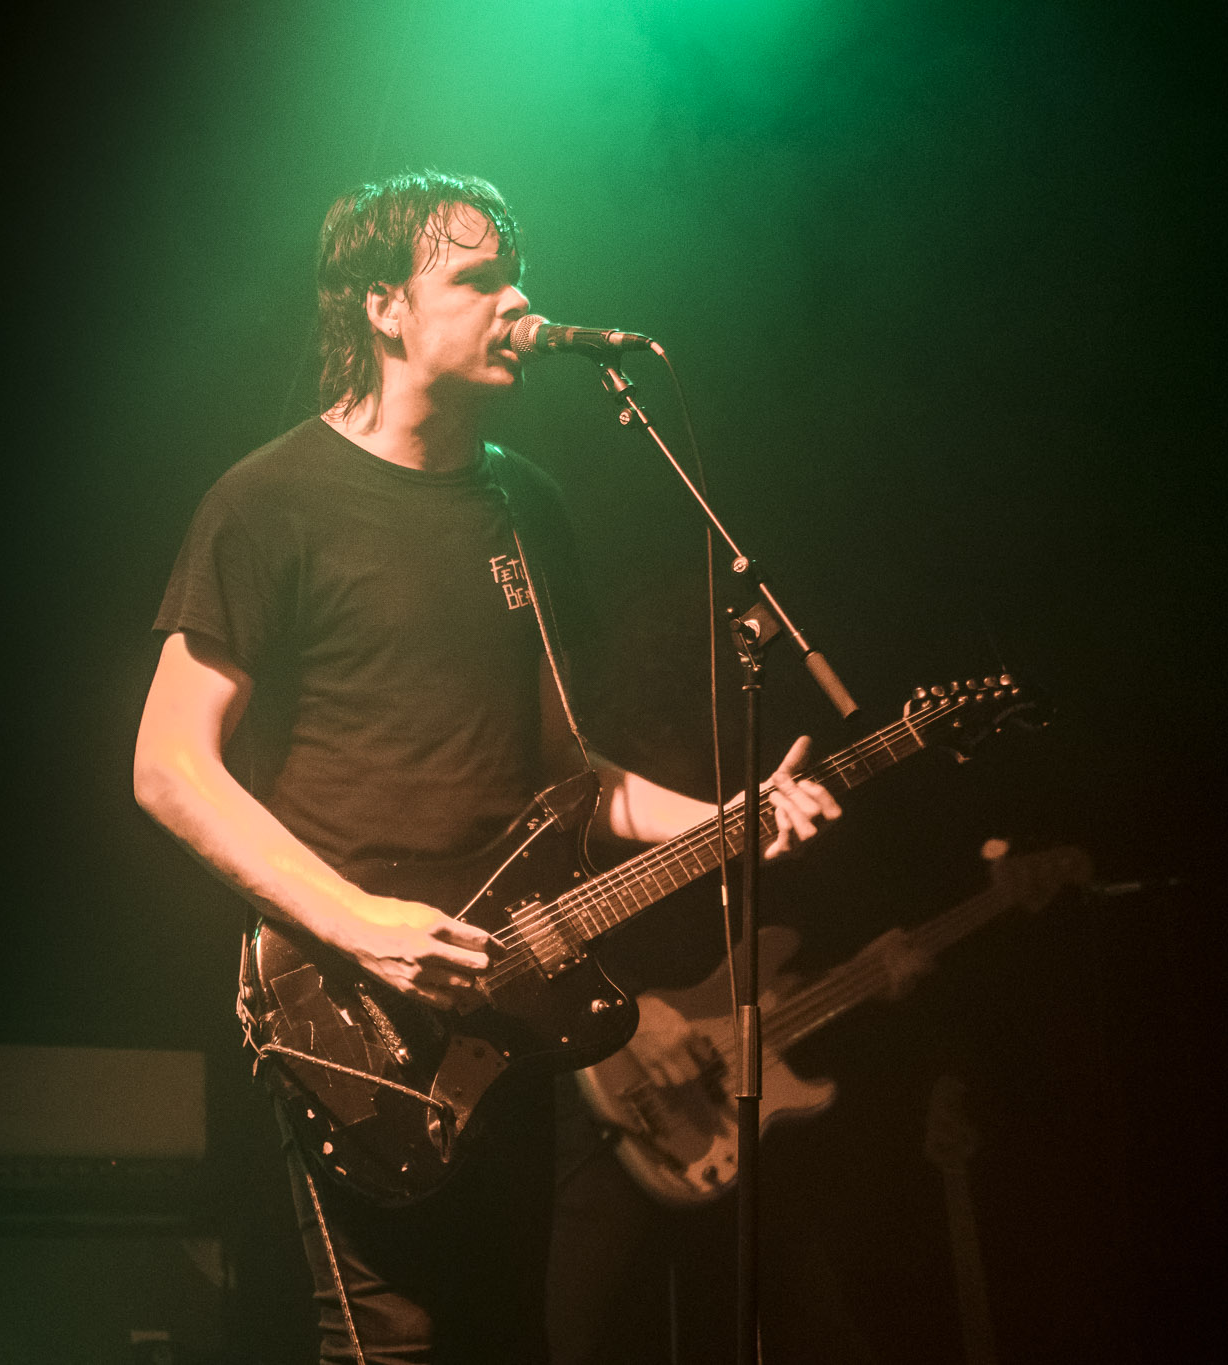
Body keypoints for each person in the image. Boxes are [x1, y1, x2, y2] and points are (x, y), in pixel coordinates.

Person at [133, 169, 841, 1365]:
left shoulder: (524, 504)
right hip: (344, 1008)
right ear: (382, 307)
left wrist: (726, 815)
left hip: (511, 1001)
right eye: (474, 280)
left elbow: (573, 775)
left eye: (517, 276)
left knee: (509, 1339)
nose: (517, 303)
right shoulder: (267, 502)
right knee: (392, 1344)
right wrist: (357, 924)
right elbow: (166, 765)